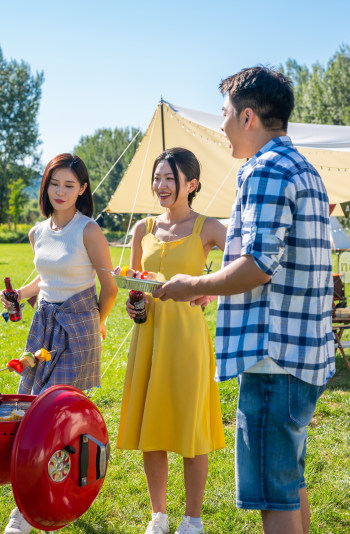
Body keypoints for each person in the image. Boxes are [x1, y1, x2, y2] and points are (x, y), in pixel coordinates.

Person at [154, 67, 335, 534]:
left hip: (272, 357)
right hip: (302, 354)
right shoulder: (304, 169)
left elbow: (259, 264)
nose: (220, 125)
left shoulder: (265, 169)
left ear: (248, 116)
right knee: (289, 483)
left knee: (273, 499)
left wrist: (193, 285)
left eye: (225, 113)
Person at [0, 153, 117, 534]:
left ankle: (43, 503)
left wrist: (95, 326)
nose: (61, 191)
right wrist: (20, 293)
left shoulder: (89, 230)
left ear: (82, 189)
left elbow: (110, 287)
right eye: (55, 184)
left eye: (69, 185)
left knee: (57, 417)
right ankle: (33, 499)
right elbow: (44, 279)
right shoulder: (38, 231)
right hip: (43, 324)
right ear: (45, 186)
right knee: (32, 410)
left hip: (78, 327)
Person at [117, 147, 226, 534]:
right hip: (147, 336)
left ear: (191, 184)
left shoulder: (208, 228)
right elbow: (135, 281)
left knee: (190, 428)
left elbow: (247, 262)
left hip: (187, 340)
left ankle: (193, 520)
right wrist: (134, 304)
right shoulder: (143, 229)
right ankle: (158, 516)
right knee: (153, 426)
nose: (160, 186)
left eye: (169, 179)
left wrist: (213, 287)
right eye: (157, 178)